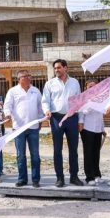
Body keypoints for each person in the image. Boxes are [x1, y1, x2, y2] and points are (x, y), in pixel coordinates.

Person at [42, 59, 83, 187]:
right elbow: (45, 101)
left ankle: (74, 176)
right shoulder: (50, 84)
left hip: (72, 118)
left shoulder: (75, 83)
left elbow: (79, 102)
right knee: (57, 149)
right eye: (55, 68)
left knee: (73, 149)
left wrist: (80, 120)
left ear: (66, 68)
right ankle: (59, 178)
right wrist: (47, 110)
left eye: (59, 68)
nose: (56, 70)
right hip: (56, 119)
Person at [4, 70, 44, 187]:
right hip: (18, 128)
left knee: (35, 155)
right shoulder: (13, 91)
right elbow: (7, 105)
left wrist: (41, 120)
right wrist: (7, 114)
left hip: (33, 127)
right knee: (20, 155)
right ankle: (22, 179)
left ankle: (36, 180)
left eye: (28, 76)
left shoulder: (35, 91)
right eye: (24, 76)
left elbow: (40, 107)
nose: (27, 78)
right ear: (19, 79)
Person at [79, 80, 105, 186]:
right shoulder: (84, 98)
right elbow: (82, 112)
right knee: (88, 153)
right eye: (90, 86)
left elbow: (101, 115)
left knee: (96, 152)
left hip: (98, 129)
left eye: (94, 86)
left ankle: (97, 175)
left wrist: (103, 129)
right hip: (87, 128)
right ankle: (89, 176)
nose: (92, 88)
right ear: (86, 88)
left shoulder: (101, 99)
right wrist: (92, 102)